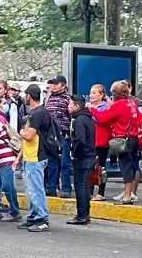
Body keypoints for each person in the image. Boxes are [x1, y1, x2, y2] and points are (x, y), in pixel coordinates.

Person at [17, 84, 51, 232]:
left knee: (36, 190)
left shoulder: (38, 114)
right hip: (30, 156)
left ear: (29, 96)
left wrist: (21, 132)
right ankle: (33, 216)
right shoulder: (36, 112)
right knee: (31, 190)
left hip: (36, 156)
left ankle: (42, 218)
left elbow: (29, 136)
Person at [68, 94, 97, 224]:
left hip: (82, 157)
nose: (68, 106)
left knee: (80, 186)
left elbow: (80, 140)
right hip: (89, 155)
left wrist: (74, 152)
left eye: (70, 104)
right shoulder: (88, 119)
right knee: (84, 185)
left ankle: (82, 214)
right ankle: (85, 213)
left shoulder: (79, 120)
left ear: (77, 106)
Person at [44, 75, 72, 198]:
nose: (53, 86)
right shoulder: (49, 97)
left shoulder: (68, 99)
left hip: (63, 135)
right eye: (52, 84)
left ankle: (66, 188)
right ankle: (51, 187)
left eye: (56, 84)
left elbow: (71, 116)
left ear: (63, 85)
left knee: (64, 162)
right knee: (51, 162)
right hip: (50, 135)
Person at [87, 84, 111, 201]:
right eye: (91, 92)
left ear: (101, 95)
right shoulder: (88, 106)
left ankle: (101, 192)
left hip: (102, 141)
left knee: (101, 168)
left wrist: (92, 110)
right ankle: (89, 191)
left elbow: (103, 120)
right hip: (90, 141)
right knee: (90, 167)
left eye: (94, 93)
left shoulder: (105, 107)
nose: (91, 95)